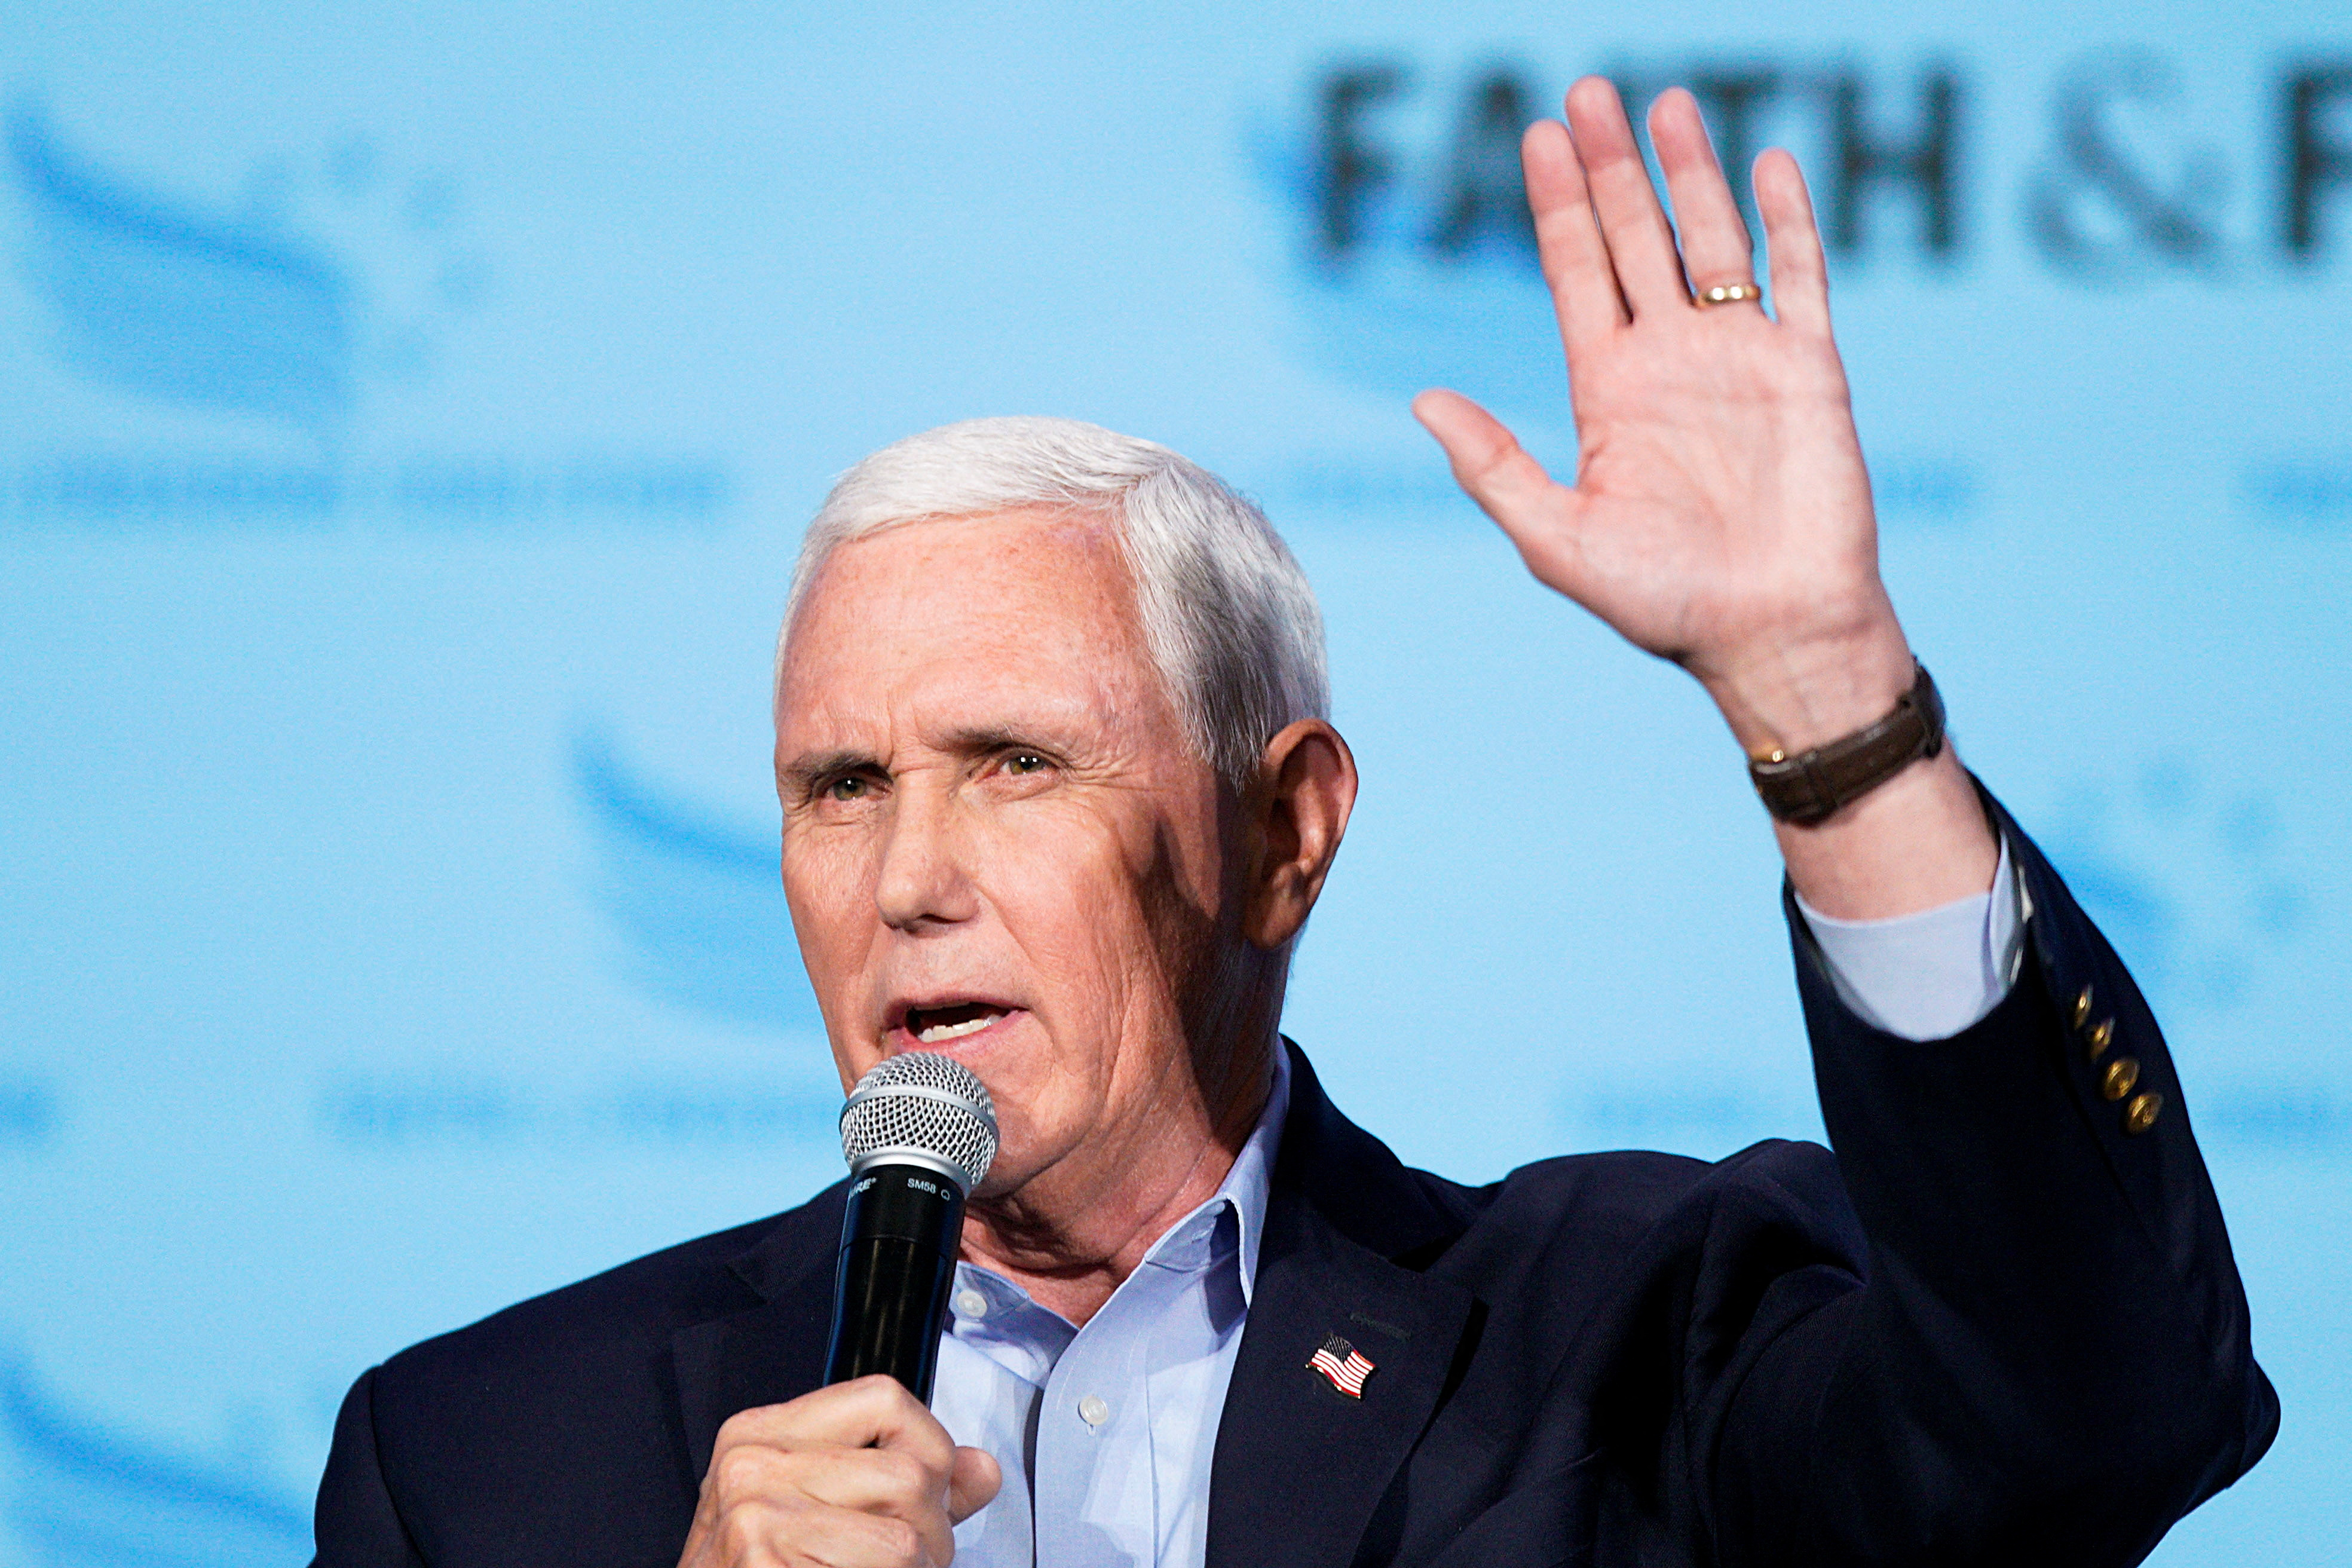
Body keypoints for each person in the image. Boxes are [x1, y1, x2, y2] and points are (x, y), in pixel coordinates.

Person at [311, 79, 2274, 1567]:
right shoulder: (489, 1458)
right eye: (842, 788)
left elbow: (2096, 1426)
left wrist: (1827, 698)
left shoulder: (1628, 1356)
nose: (908, 881)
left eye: (1014, 764)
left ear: (1286, 832)